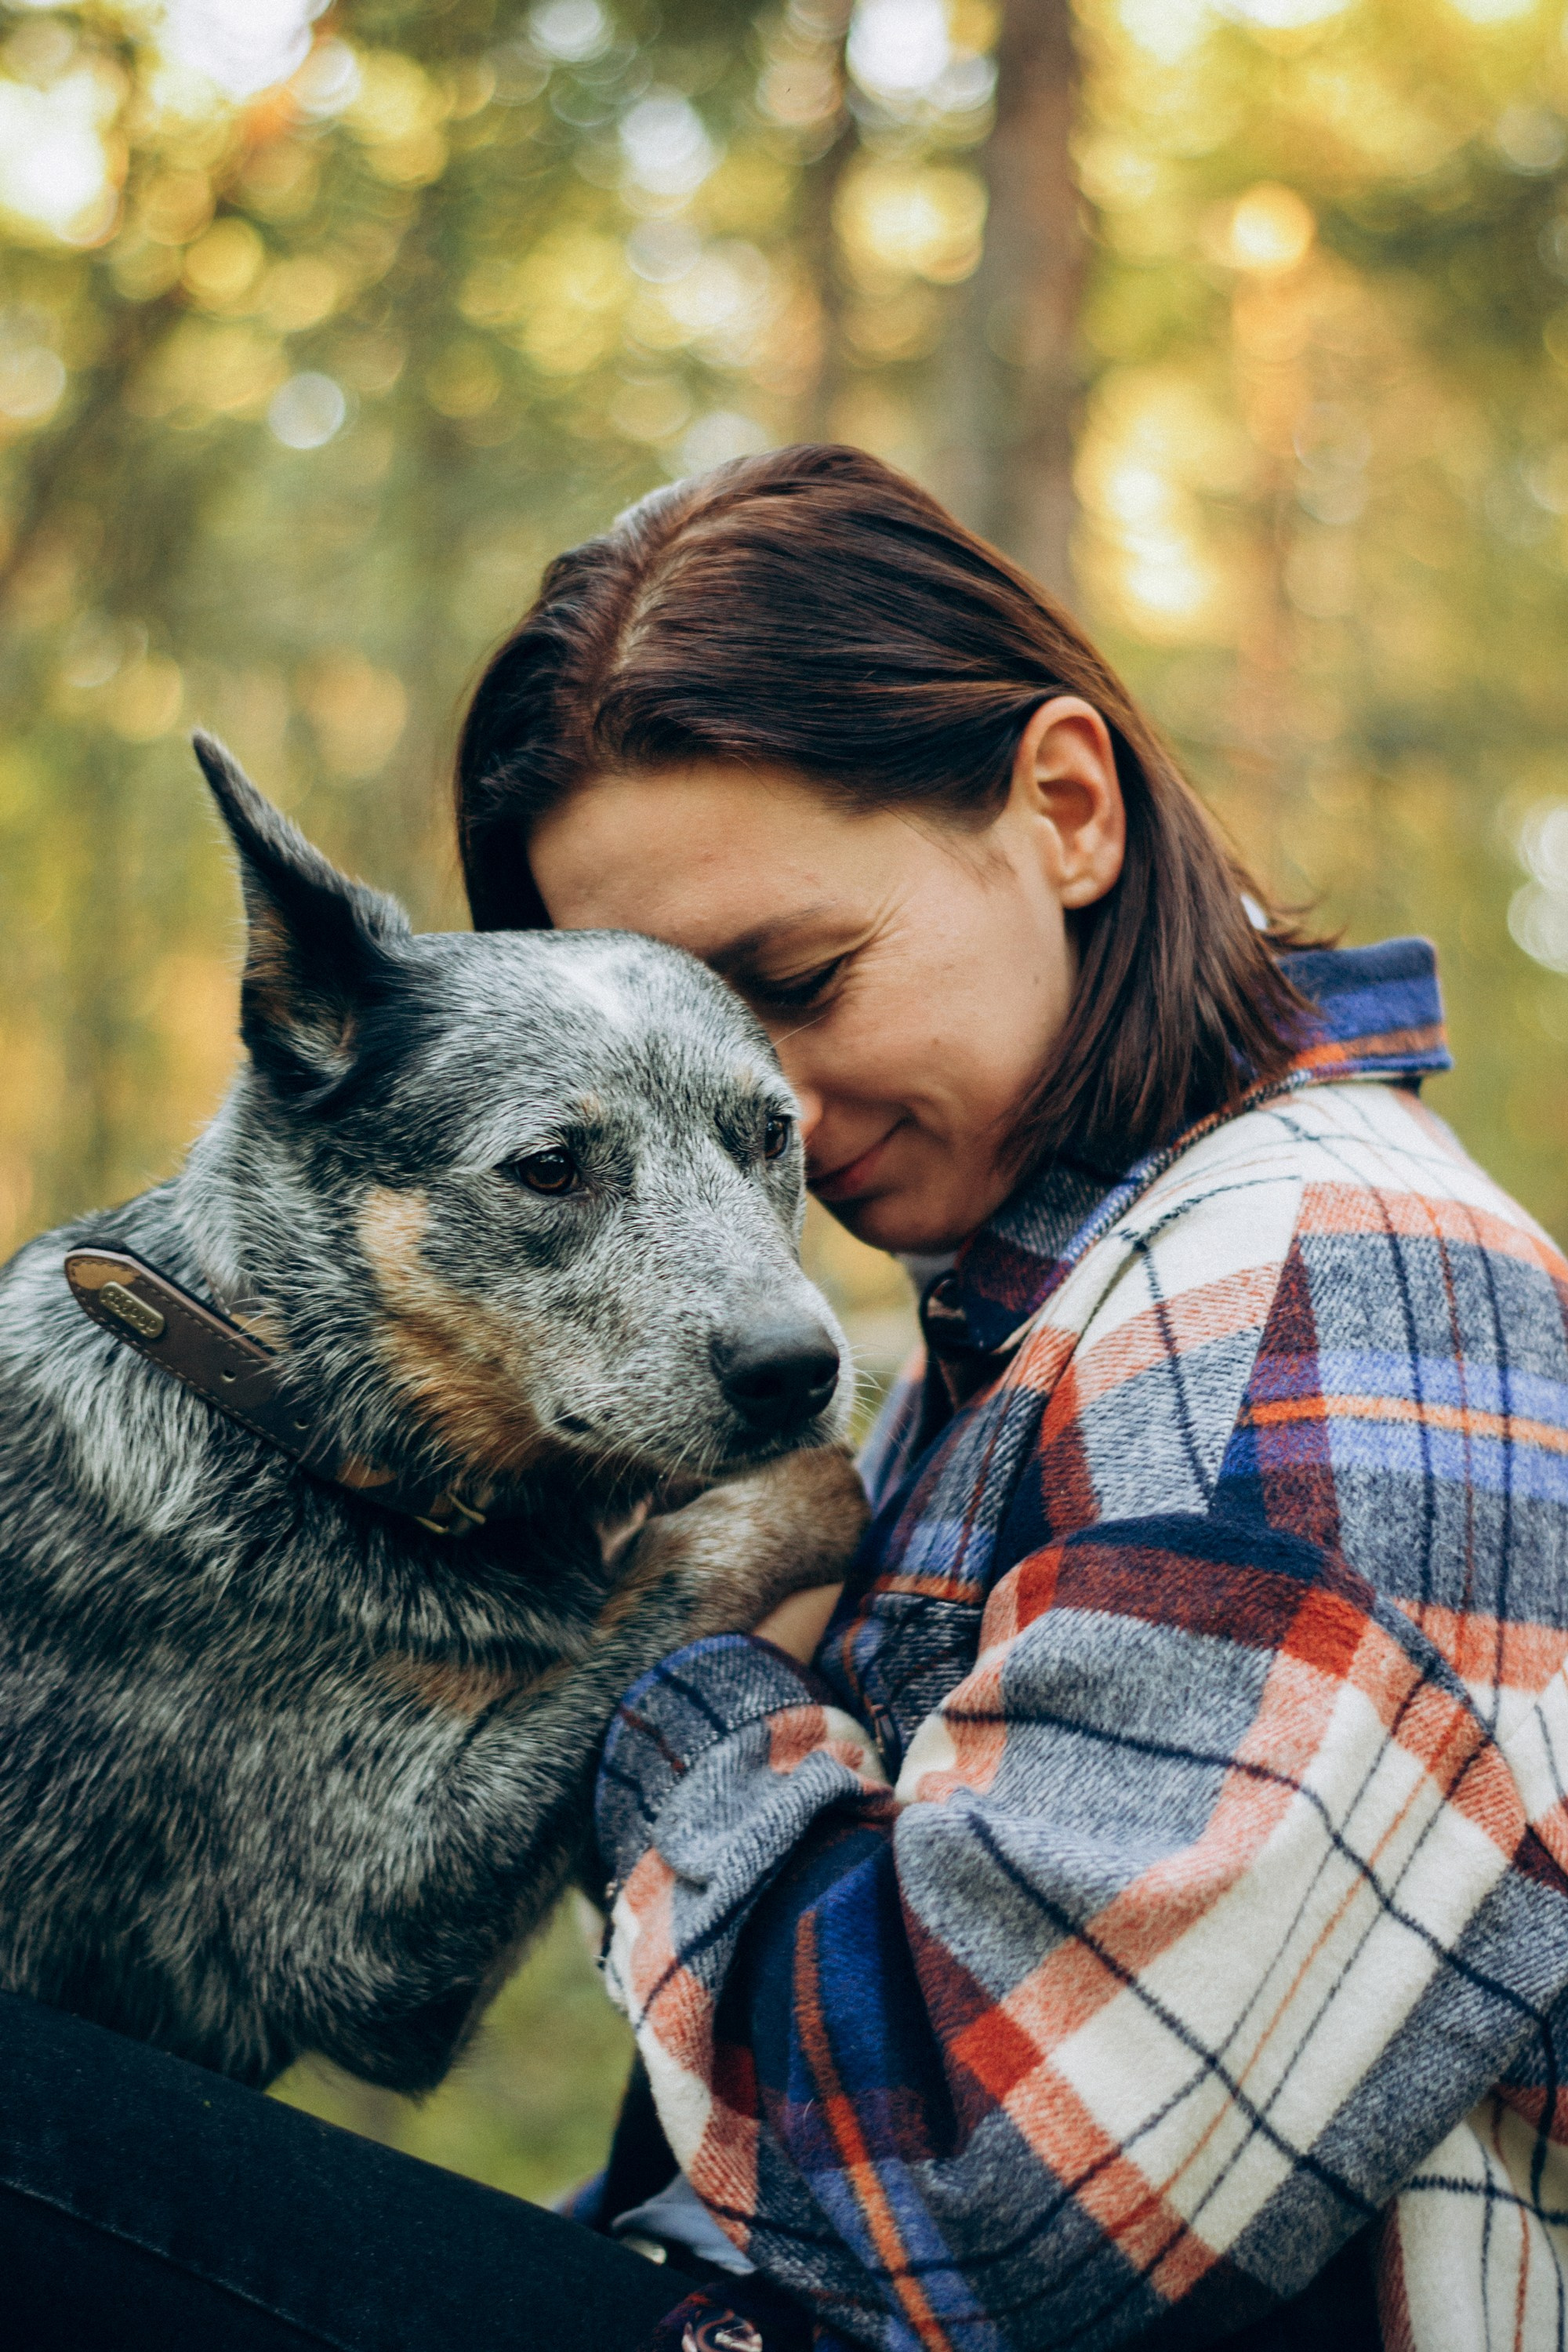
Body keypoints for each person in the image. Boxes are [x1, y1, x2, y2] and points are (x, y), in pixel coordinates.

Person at [0, 441, 1562, 2352]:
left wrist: (695, 1639)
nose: (784, 1148)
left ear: (1066, 808)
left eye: (798, 985)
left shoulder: (1325, 1292)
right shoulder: (1053, 1301)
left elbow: (975, 2199)